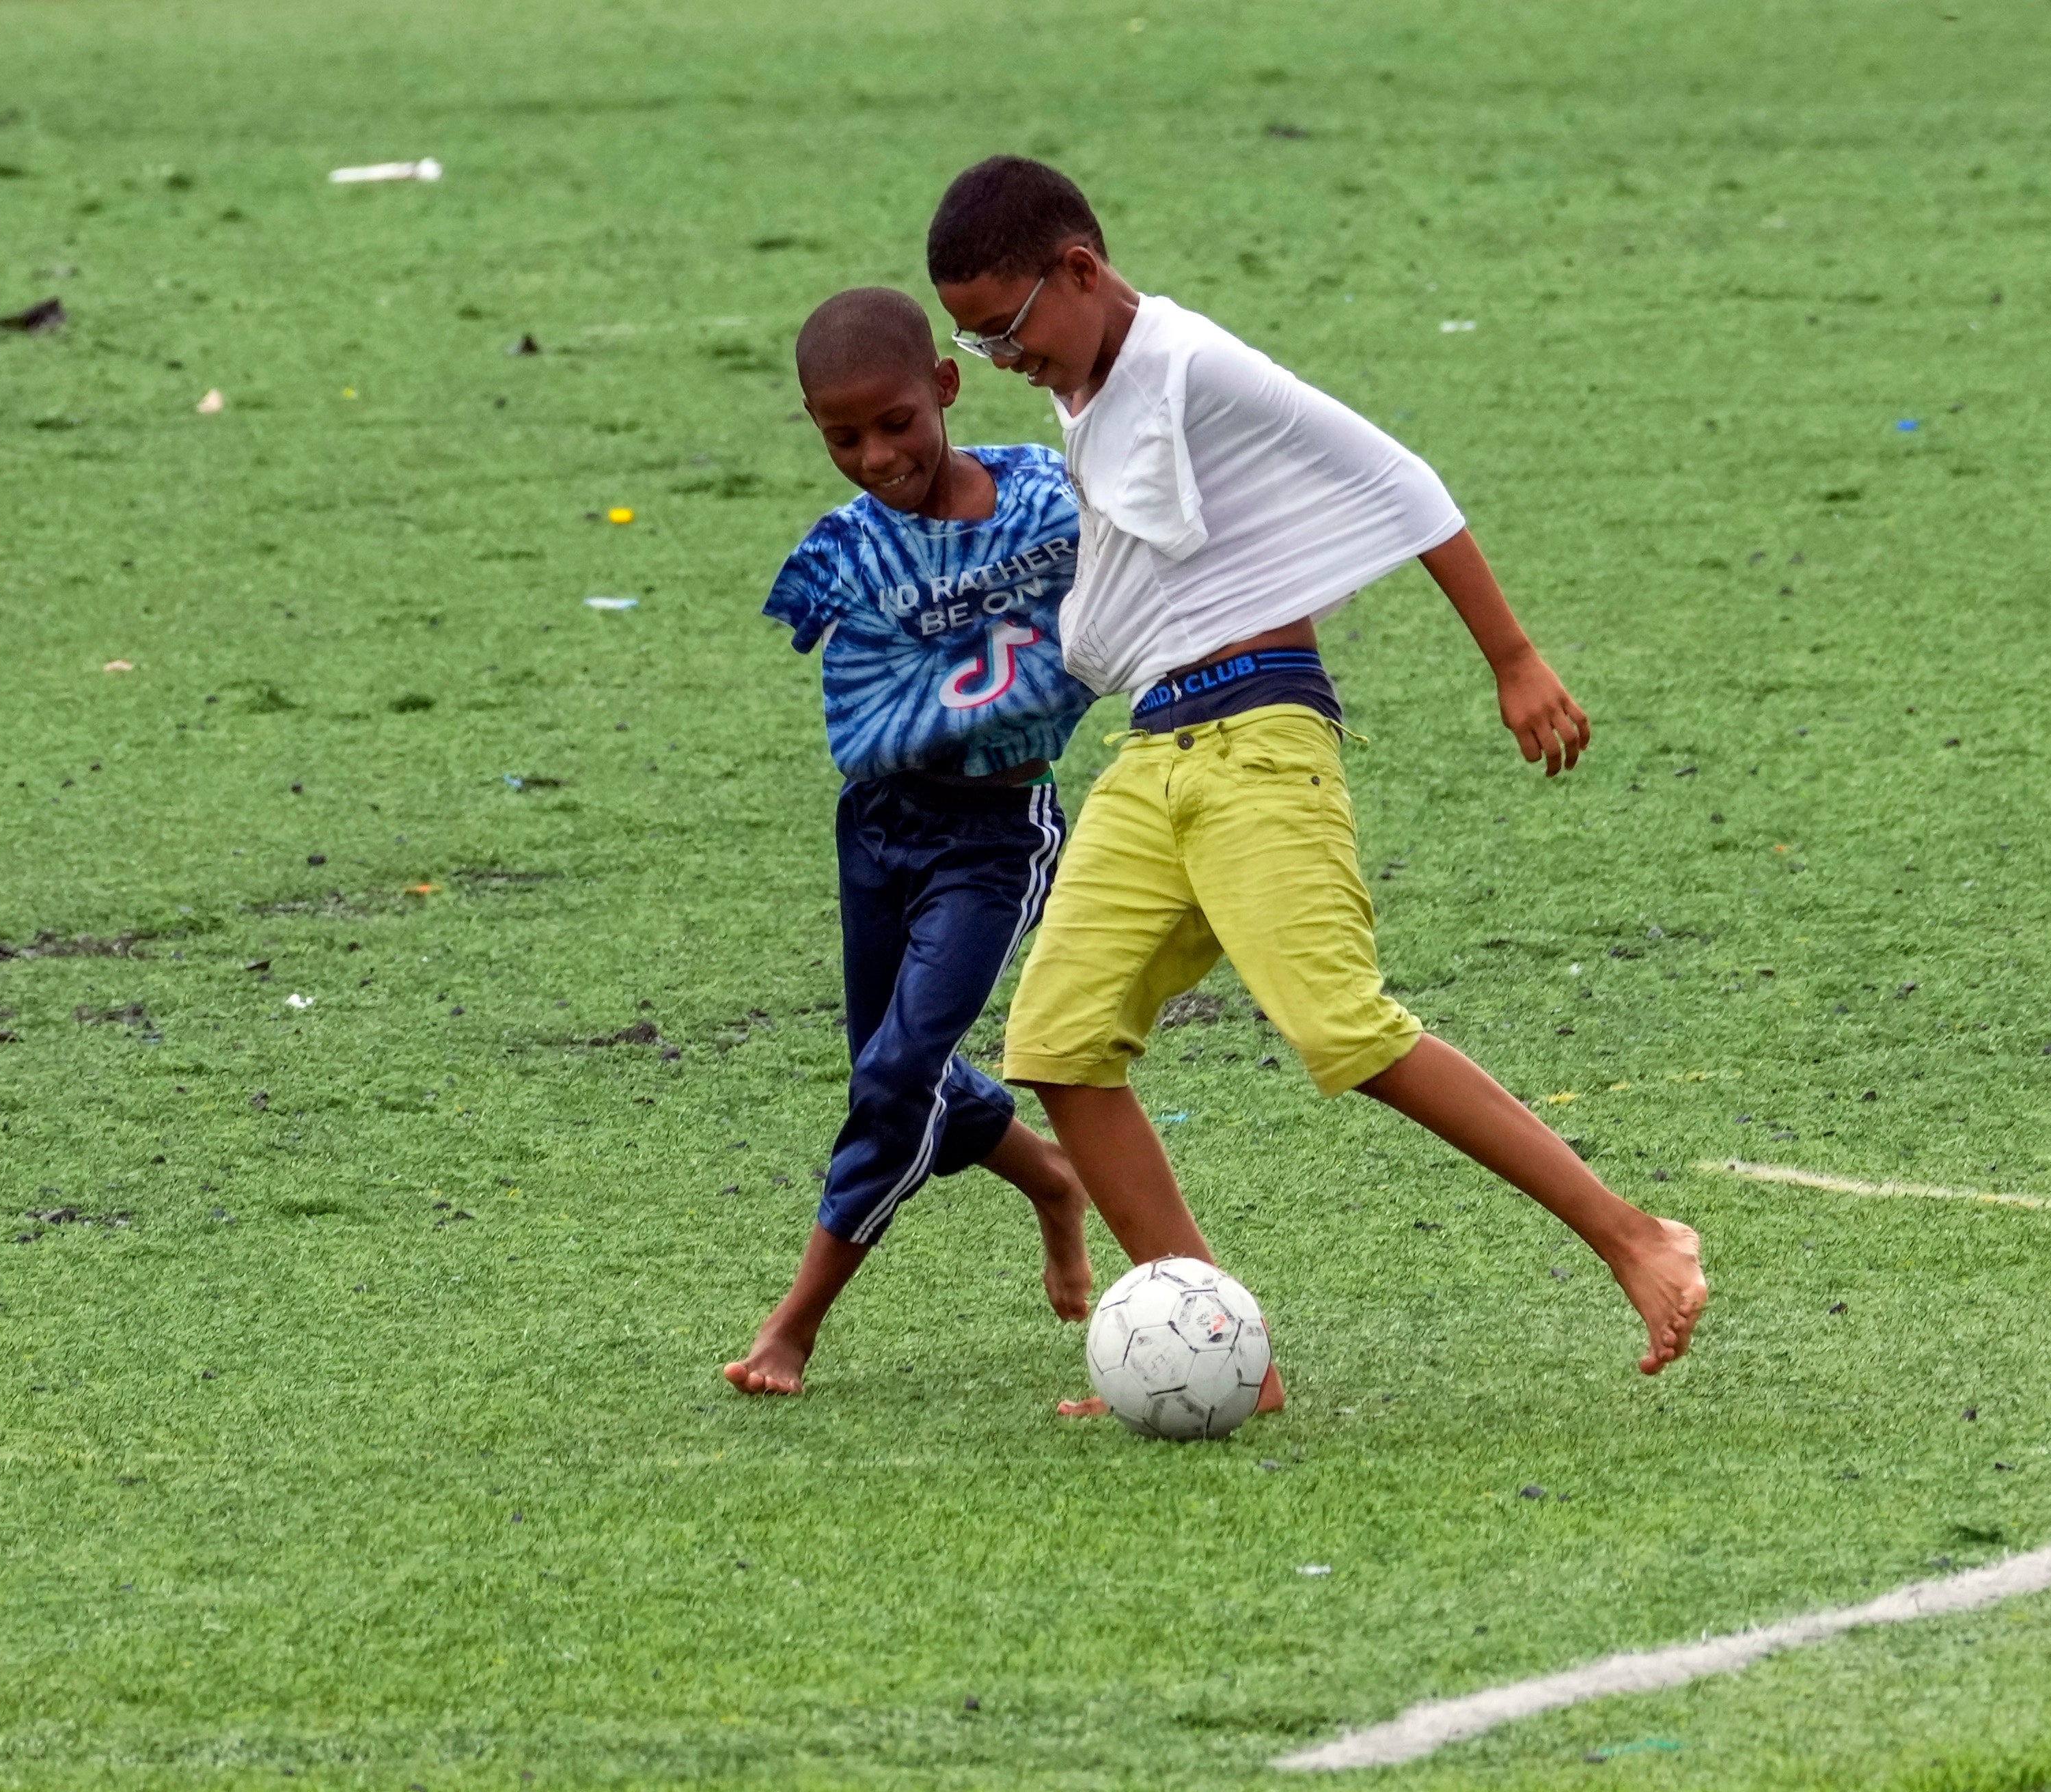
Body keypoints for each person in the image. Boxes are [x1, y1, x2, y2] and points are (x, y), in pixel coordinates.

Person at [924, 158, 1708, 1412]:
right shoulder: (1090, 387)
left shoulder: (1193, 363)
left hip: (1257, 739)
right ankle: (1224, 1354)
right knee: (1058, 1044)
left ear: (1078, 271)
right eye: (976, 340)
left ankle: (1633, 1235)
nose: (1003, 358)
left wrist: (1513, 660)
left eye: (1008, 328)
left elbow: (1400, 480)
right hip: (1153, 752)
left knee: (1342, 1028)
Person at [724, 286, 1097, 1397]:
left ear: (944, 386)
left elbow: (1133, 591)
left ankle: (793, 1324)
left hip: (994, 835)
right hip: (878, 826)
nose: (875, 457)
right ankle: (1049, 1180)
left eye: (894, 423)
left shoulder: (1050, 503)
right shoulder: (842, 552)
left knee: (896, 1074)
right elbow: (849, 685)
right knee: (889, 1068)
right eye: (841, 438)